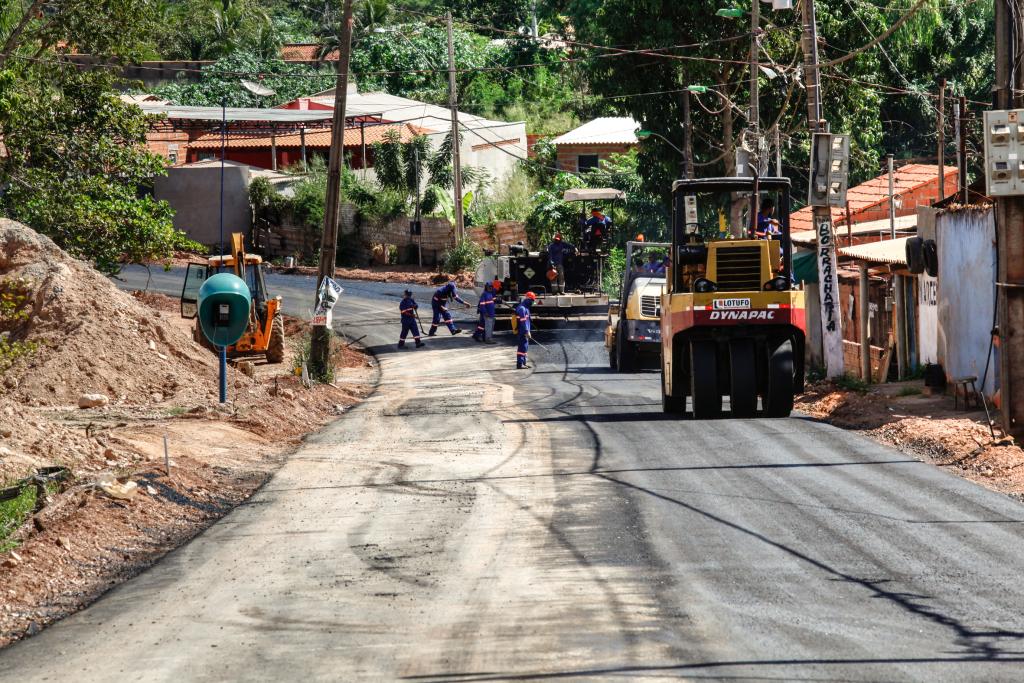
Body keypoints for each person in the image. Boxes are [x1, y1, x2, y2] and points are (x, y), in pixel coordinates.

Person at [515, 292, 536, 369]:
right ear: (528, 299)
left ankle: (523, 363)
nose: (532, 303)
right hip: (522, 331)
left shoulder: (526, 308)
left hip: (524, 331)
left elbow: (527, 319)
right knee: (522, 347)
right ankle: (520, 364)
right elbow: (523, 322)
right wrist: (527, 331)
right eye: (532, 300)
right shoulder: (522, 309)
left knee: (525, 347)